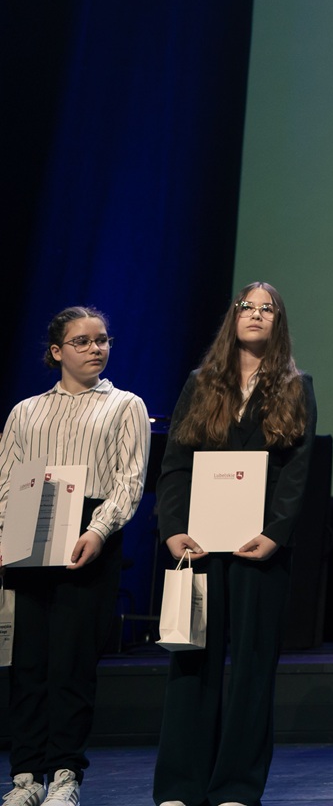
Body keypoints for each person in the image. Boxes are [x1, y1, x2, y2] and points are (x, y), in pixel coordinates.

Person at [153, 282, 318, 806]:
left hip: (258, 545)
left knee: (251, 667)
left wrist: (275, 534)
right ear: (234, 316)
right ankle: (181, 786)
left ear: (278, 323)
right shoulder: (201, 383)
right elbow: (176, 464)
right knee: (192, 661)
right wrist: (172, 529)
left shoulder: (296, 385)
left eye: (267, 309)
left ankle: (236, 787)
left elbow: (297, 471)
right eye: (247, 306)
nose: (256, 314)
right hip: (199, 542)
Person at [0, 307, 149, 806]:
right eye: (82, 341)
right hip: (31, 525)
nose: (95, 349)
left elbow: (129, 480)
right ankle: (25, 776)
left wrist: (98, 530)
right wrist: (4, 536)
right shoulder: (26, 411)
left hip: (89, 528)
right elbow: (6, 481)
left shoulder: (125, 405)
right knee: (28, 662)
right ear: (56, 351)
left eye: (102, 340)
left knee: (72, 662)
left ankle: (65, 774)